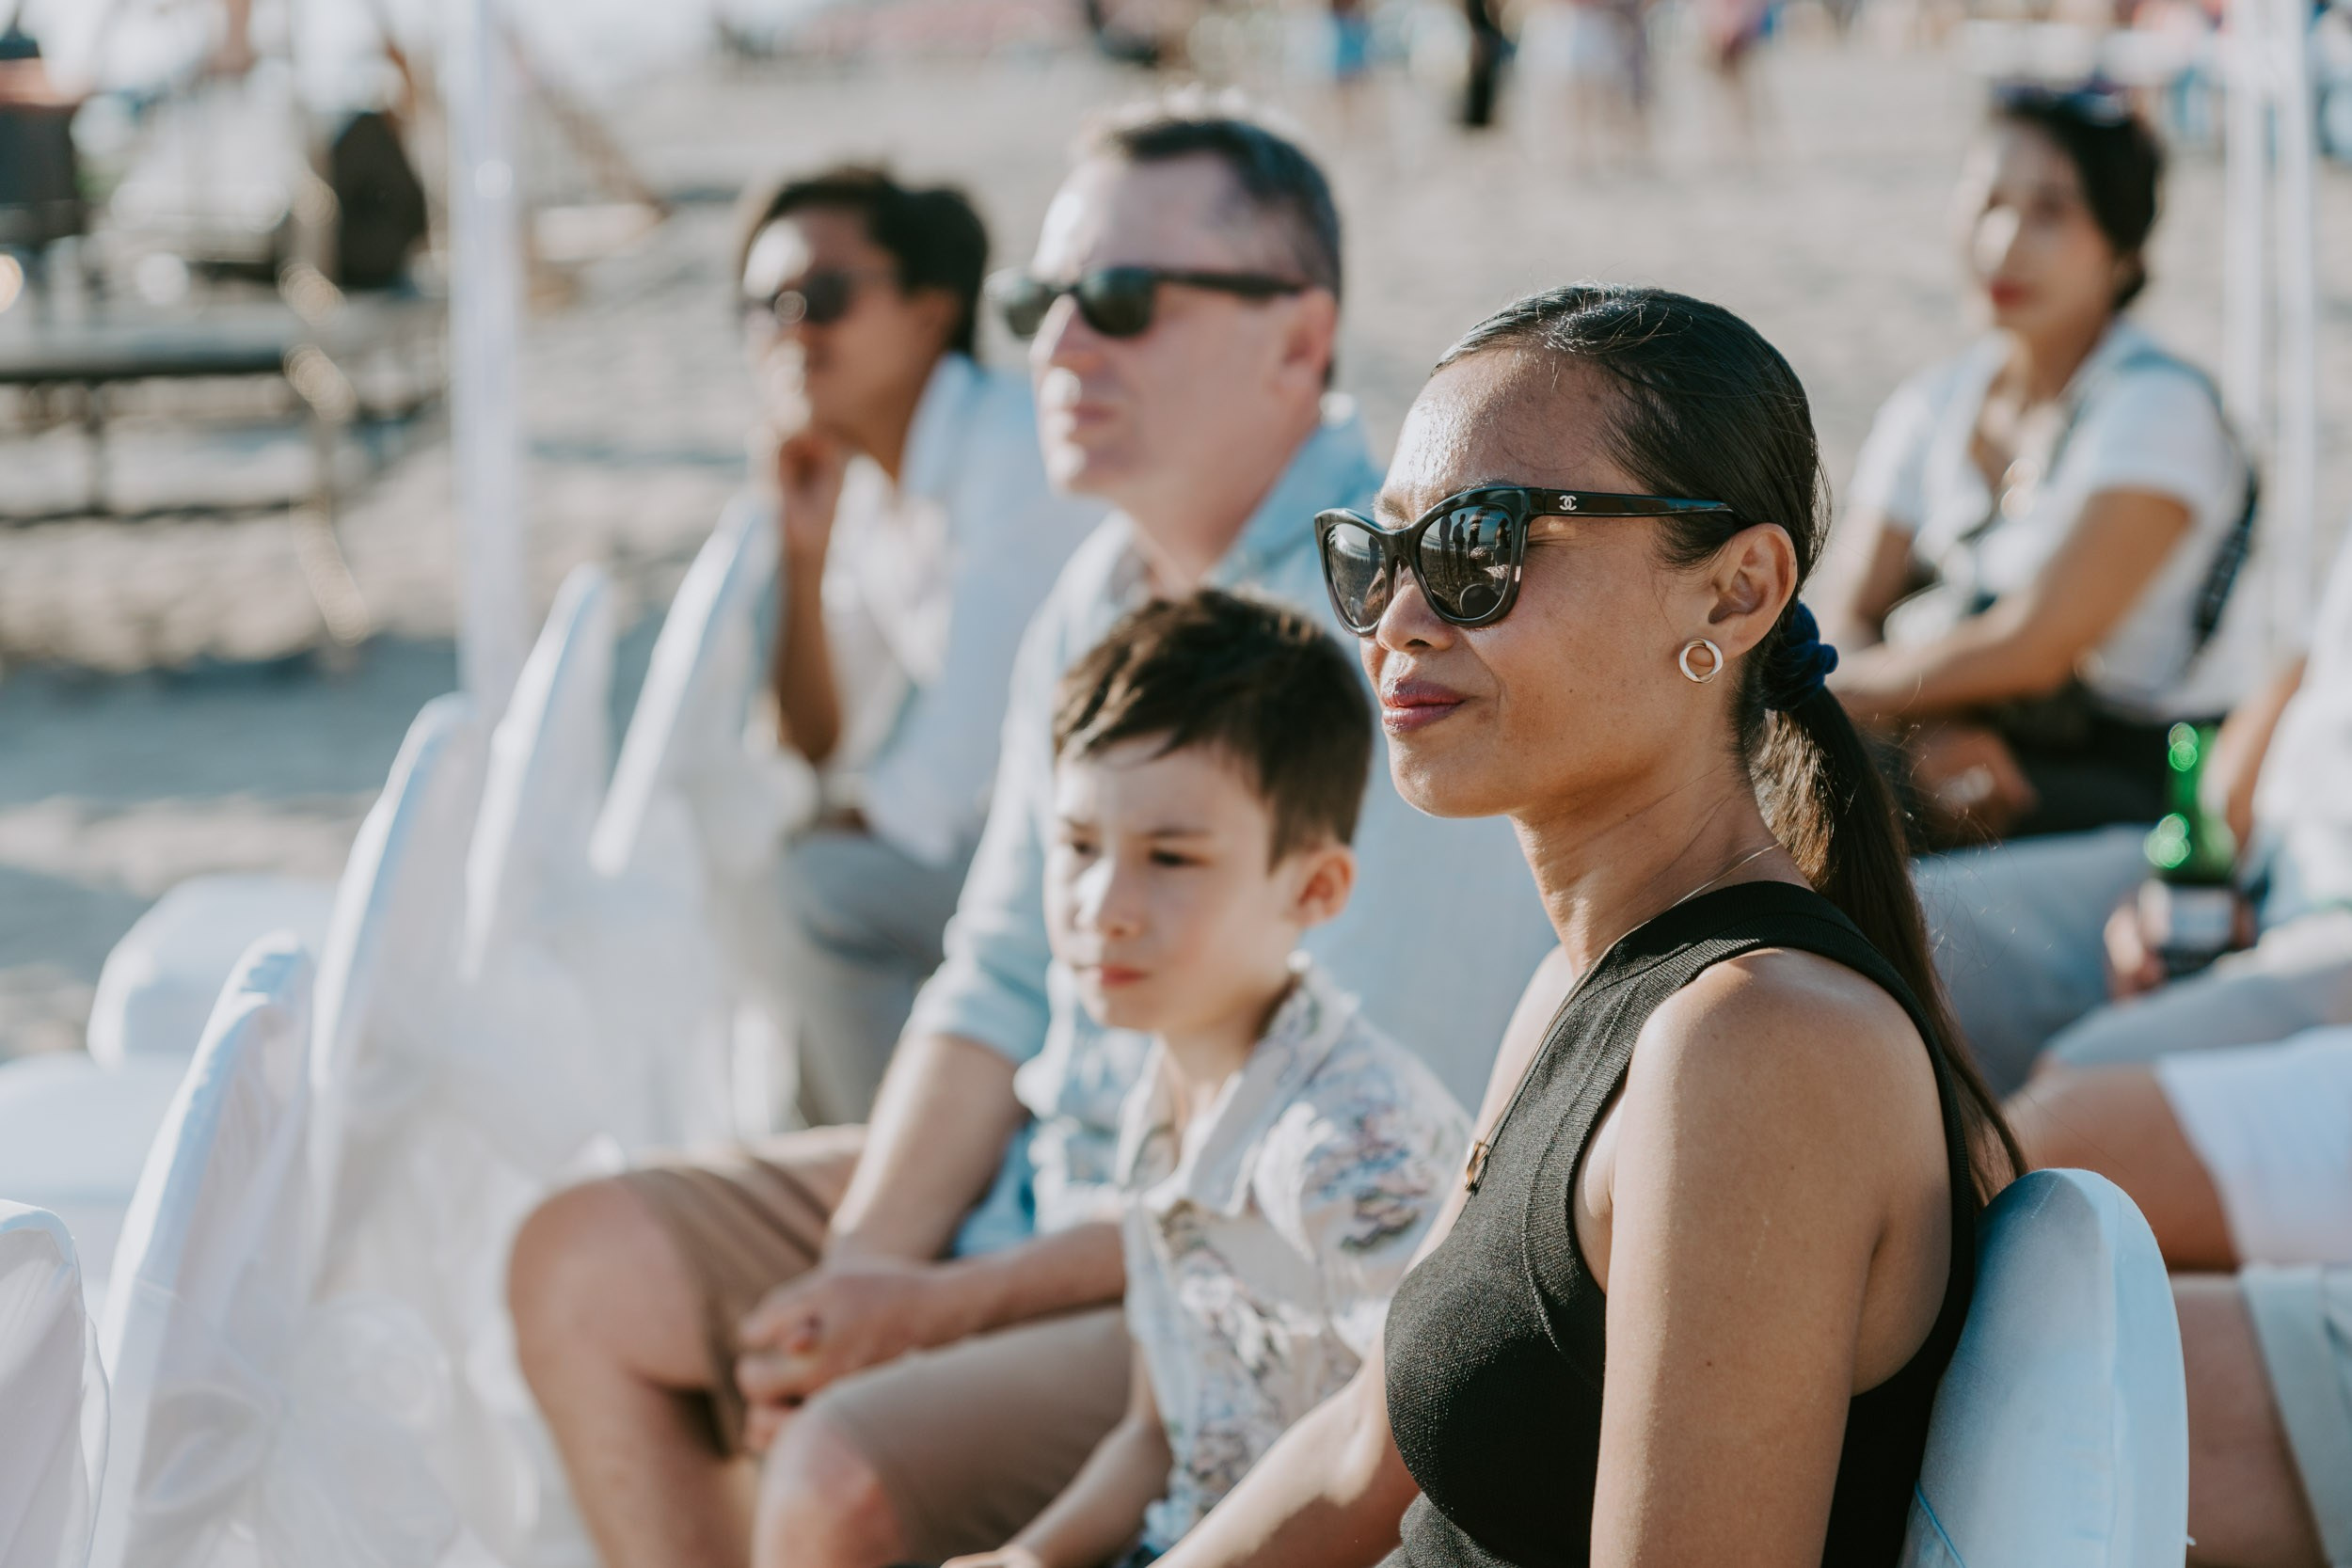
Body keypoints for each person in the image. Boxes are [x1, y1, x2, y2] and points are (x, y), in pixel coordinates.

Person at [505, 105, 1554, 1568]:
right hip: (1052, 1194)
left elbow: (1317, 1159)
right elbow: (996, 972)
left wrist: (928, 1309)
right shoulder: (1093, 596)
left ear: (1298, 340)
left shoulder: (1388, 627)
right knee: (583, 1262)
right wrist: (862, 1265)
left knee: (841, 1467)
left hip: (1239, 1267)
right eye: (1038, 302)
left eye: (1119, 302)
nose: (1059, 346)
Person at [1143, 283, 2019, 1568]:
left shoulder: (1756, 1048)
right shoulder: (1589, 986)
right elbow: (1354, 1451)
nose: (1398, 618)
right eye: (1378, 554)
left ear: (1734, 594)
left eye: (1481, 545)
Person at [940, 592, 1468, 1568]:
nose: (1104, 906)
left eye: (1170, 857)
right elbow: (1157, 1431)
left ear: (1314, 887)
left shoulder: (1350, 1149)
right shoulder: (1163, 1098)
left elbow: (1423, 1473)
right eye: (1078, 846)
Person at [731, 166, 1104, 1125]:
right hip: (1041, 826)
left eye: (821, 296)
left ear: (930, 311)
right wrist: (801, 553)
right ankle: (838, 1172)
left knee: (814, 890)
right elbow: (814, 741)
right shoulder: (872, 489)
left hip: (1122, 843)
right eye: (761, 306)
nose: (787, 330)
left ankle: (889, 1201)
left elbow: (944, 777)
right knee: (804, 883)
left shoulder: (1011, 453)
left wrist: (832, 827)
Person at [1818, 86, 2255, 847]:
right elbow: (1848, 608)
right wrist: (1928, 730)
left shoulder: (2157, 408)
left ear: (2123, 251)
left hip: (2127, 799)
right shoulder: (1932, 404)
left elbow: (2034, 645)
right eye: (1988, 202)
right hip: (1940, 754)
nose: (2003, 243)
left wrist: (1816, 695)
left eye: (2050, 212)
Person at [1921, 518, 2352, 1091]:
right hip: (2253, 865)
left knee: (2083, 1090)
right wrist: (2195, 871)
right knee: (1904, 922)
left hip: (2328, 927)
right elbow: (2304, 669)